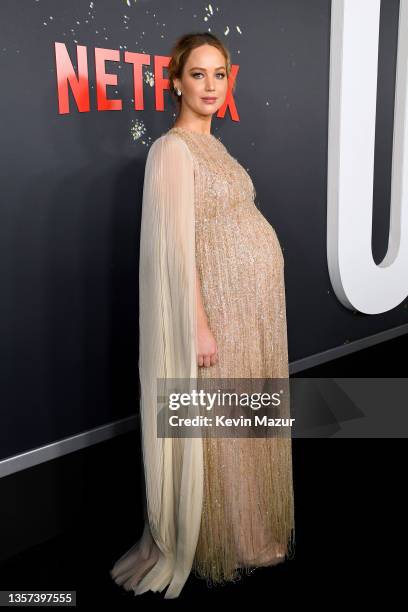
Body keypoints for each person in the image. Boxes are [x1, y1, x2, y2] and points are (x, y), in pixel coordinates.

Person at [110, 31, 295, 599]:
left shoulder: (218, 146)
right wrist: (197, 323)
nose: (210, 86)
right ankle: (227, 538)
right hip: (217, 310)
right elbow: (174, 248)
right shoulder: (171, 149)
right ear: (174, 81)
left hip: (254, 311)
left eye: (219, 75)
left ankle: (253, 531)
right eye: (198, 74)